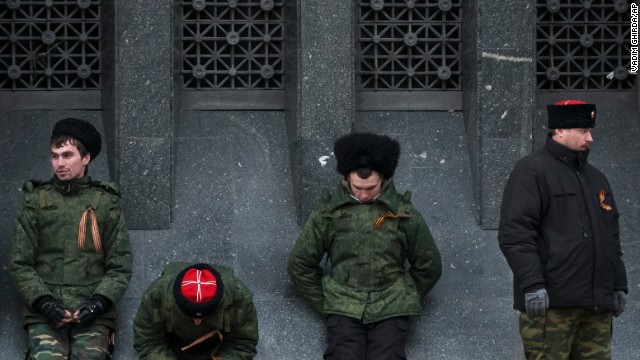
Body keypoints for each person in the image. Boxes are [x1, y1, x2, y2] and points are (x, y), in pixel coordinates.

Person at [287, 132, 442, 359]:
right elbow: (300, 264)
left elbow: (429, 265)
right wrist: (328, 302)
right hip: (343, 306)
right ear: (348, 177)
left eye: (371, 188)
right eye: (358, 187)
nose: (364, 193)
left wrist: (404, 297)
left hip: (391, 307)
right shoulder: (328, 213)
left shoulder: (403, 213)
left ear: (383, 178)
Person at [498, 100, 628, 359]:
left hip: (596, 307)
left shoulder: (596, 178)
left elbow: (610, 237)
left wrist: (618, 284)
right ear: (559, 130)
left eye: (590, 131)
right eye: (582, 130)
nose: (589, 138)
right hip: (552, 306)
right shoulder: (532, 171)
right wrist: (533, 284)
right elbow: (516, 235)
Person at [10, 118, 133, 359]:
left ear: (86, 158)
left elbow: (120, 265)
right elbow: (19, 262)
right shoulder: (35, 201)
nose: (59, 163)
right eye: (55, 156)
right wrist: (44, 302)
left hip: (92, 309)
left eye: (67, 155)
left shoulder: (106, 203)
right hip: (45, 309)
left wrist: (99, 303)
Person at [133, 262, 259, 360]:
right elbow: (148, 342)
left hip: (219, 350)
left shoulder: (238, 298)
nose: (197, 322)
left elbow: (243, 344)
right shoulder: (156, 296)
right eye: (190, 316)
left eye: (204, 317)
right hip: (172, 349)